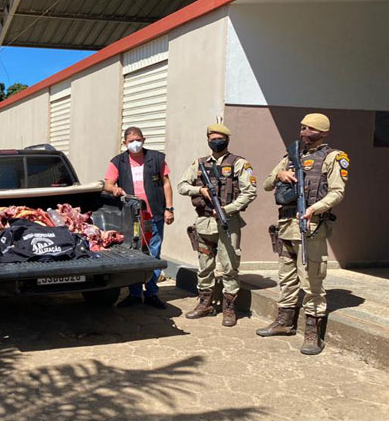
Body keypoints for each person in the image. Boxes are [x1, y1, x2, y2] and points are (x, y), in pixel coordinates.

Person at [256, 113, 347, 355]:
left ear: (322, 132)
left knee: (311, 281)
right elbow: (265, 183)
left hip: (312, 227)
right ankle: (285, 322)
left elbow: (337, 193)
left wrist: (313, 209)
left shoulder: (333, 158)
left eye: (310, 128)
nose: (304, 132)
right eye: (302, 127)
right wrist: (280, 175)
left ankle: (312, 333)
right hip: (286, 225)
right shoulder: (290, 157)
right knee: (286, 276)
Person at [177, 123, 257, 327]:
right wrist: (200, 191)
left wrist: (228, 209)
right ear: (207, 140)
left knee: (229, 266)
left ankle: (229, 308)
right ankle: (205, 303)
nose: (216, 141)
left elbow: (250, 192)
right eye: (212, 138)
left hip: (228, 222)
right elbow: (182, 186)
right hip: (204, 222)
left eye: (220, 138)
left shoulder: (239, 163)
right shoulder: (199, 163)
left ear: (227, 139)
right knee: (204, 266)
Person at [104, 126, 174, 309]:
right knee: (134, 254)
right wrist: (114, 189)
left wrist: (169, 208)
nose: (135, 143)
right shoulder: (118, 162)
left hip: (155, 215)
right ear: (124, 143)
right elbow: (108, 184)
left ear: (144, 139)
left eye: (138, 139)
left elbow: (166, 184)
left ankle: (151, 293)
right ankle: (134, 294)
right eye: (131, 141)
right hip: (132, 218)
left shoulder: (157, 159)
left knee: (154, 253)